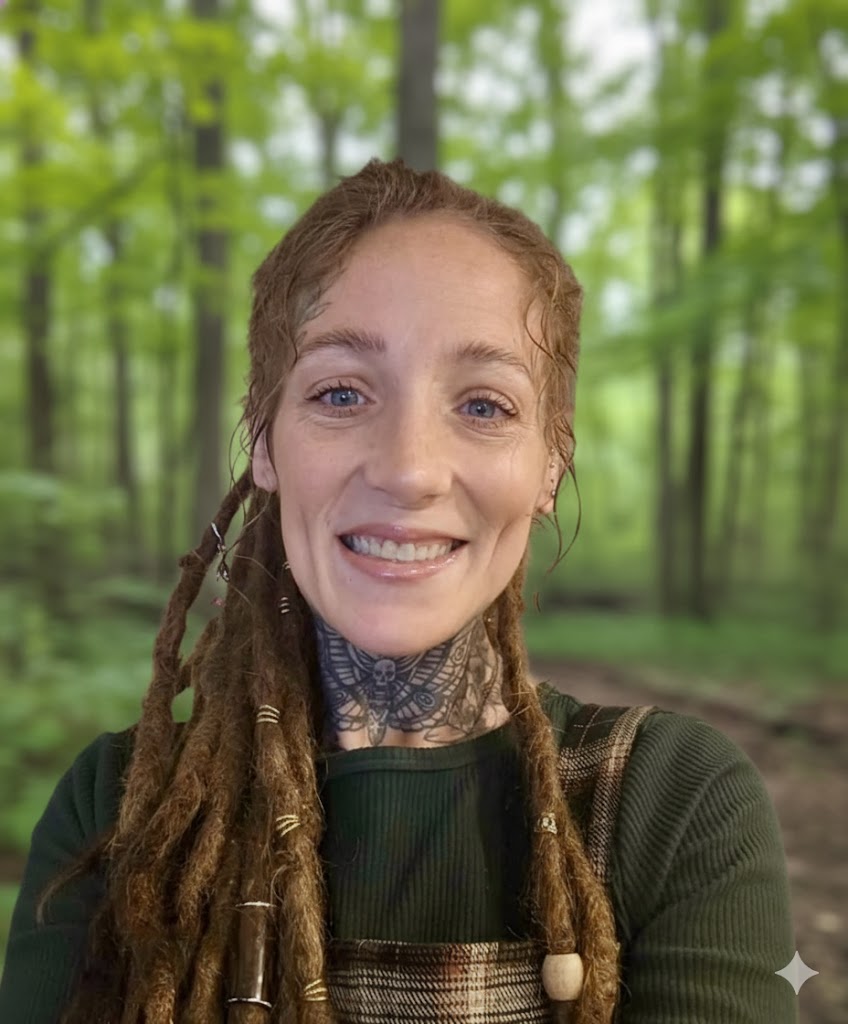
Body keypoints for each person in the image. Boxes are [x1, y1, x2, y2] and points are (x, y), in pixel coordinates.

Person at [0, 159, 796, 1024]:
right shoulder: (120, 807)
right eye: (342, 392)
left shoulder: (673, 800)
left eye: (484, 406)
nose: (409, 470)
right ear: (265, 443)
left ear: (550, 464)